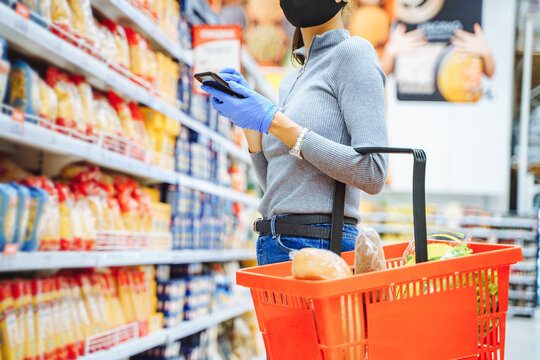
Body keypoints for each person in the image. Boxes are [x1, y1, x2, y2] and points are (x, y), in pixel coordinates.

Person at [201, 0, 388, 265]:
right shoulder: (292, 81)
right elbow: (282, 191)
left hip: (320, 243)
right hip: (274, 241)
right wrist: (251, 128)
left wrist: (274, 121)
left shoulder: (353, 53)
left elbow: (374, 172)